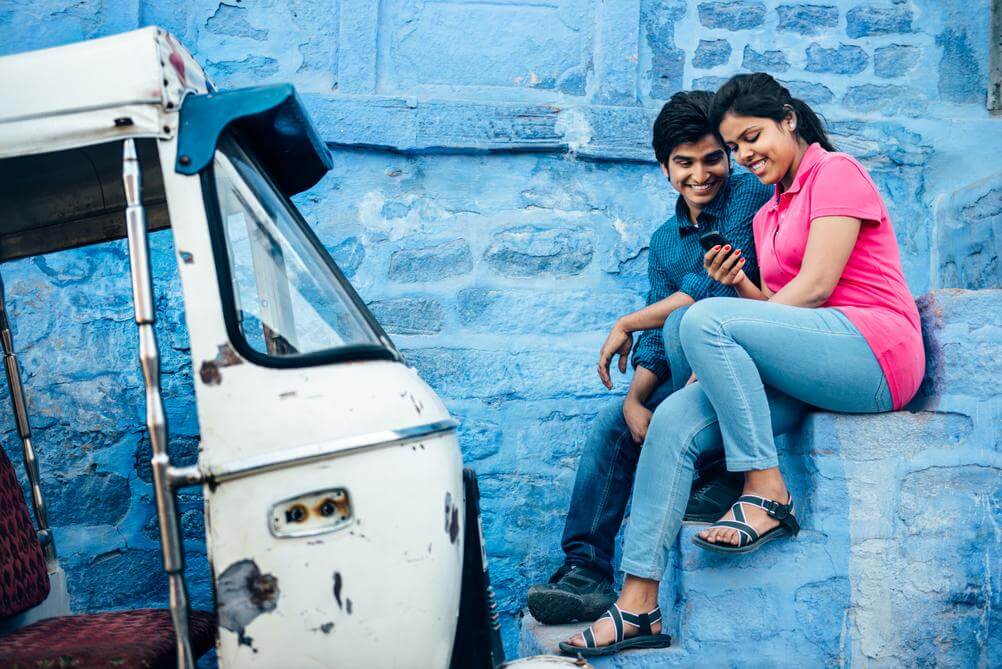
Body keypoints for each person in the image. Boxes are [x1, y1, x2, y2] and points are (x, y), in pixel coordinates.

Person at [560, 72, 925, 657]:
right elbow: (772, 311)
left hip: (874, 351)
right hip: (812, 362)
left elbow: (817, 287)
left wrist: (723, 333)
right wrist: (740, 300)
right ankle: (637, 606)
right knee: (676, 416)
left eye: (750, 137)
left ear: (788, 119)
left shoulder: (835, 172)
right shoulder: (771, 209)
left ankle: (764, 487)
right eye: (737, 147)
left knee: (703, 318)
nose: (744, 155)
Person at [527, 90, 772, 626]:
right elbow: (658, 341)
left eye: (713, 158)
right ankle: (586, 572)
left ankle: (729, 472)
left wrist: (625, 322)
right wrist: (638, 398)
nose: (702, 174)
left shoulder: (747, 197)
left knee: (690, 318)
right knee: (612, 421)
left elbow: (712, 288)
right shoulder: (664, 240)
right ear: (665, 168)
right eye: (685, 163)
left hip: (739, 370)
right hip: (686, 372)